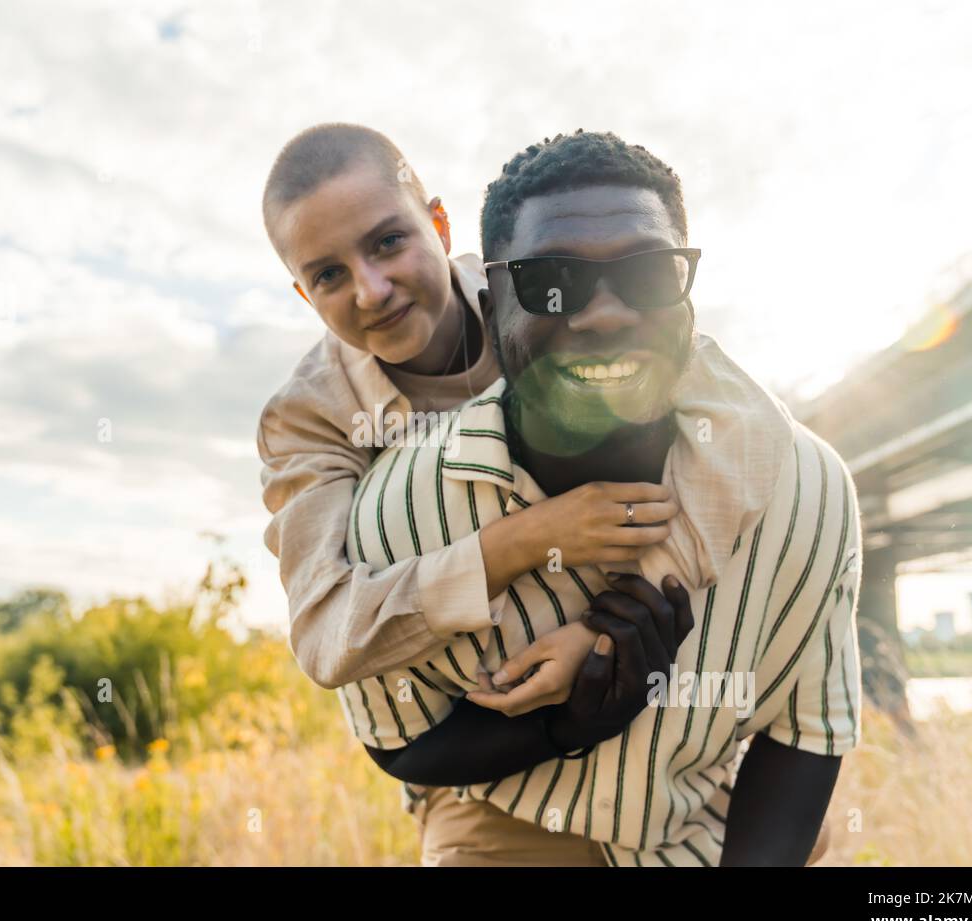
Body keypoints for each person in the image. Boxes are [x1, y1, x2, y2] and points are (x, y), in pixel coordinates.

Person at [335, 130, 862, 866]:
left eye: (647, 276)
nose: (606, 314)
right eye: (554, 283)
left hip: (708, 814)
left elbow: (804, 733)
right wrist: (564, 728)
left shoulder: (805, 490)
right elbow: (400, 742)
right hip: (503, 815)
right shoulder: (396, 514)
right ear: (493, 302)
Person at [257, 122, 677, 703]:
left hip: (637, 637)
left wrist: (599, 635)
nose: (372, 290)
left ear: (440, 225)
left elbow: (674, 380)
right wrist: (524, 541)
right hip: (464, 705)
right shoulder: (306, 417)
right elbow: (326, 632)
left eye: (387, 243)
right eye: (329, 275)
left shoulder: (531, 281)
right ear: (306, 295)